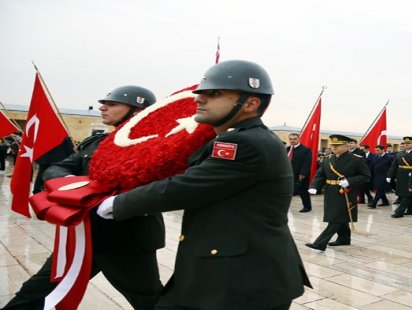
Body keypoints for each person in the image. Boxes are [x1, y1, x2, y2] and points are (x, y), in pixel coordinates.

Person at [97, 60, 311, 309]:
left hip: (244, 279)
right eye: (200, 93)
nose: (199, 100)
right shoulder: (237, 138)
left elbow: (185, 187)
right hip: (226, 269)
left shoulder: (245, 144)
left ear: (251, 104)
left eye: (214, 94)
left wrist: (116, 203)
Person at [3, 85, 165, 310]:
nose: (102, 107)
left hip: (127, 242)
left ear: (138, 111)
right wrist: (76, 186)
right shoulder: (95, 143)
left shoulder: (156, 146)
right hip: (82, 237)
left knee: (149, 301)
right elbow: (57, 168)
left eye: (112, 104)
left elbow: (159, 187)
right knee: (34, 293)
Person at [305, 134, 371, 250]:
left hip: (345, 193)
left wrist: (349, 181)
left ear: (346, 146)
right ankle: (344, 239)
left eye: (337, 145)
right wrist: (314, 186)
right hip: (331, 192)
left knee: (335, 218)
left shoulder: (356, 159)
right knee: (340, 217)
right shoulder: (328, 159)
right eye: (333, 145)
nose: (334, 147)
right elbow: (320, 174)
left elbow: (366, 176)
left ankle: (320, 243)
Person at [388, 137, 412, 218]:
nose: (406, 145)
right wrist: (389, 175)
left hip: (411, 176)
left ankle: (399, 212)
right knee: (404, 193)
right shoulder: (399, 153)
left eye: (408, 143)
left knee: (407, 194)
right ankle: (411, 210)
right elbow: (394, 165)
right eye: (405, 143)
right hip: (400, 176)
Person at [287, 133, 313, 213]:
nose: (293, 140)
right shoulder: (287, 149)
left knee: (303, 191)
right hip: (288, 174)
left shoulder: (305, 150)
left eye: (295, 139)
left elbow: (307, 163)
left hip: (300, 175)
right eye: (291, 139)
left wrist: (303, 174)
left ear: (299, 139)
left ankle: (307, 207)